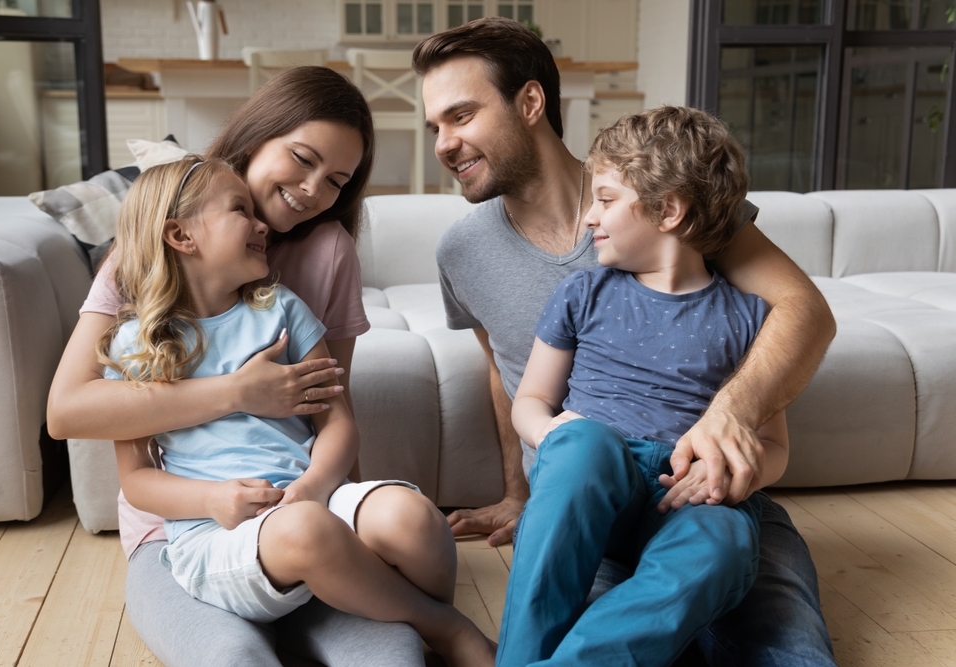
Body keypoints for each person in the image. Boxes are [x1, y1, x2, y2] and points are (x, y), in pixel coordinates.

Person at [414, 17, 837, 665]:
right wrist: (518, 491)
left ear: (529, 102)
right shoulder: (462, 251)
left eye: (461, 115)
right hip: (586, 505)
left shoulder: (665, 191)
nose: (443, 143)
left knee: (786, 650)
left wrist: (732, 417)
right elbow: (505, 372)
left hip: (706, 496)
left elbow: (804, 312)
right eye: (434, 126)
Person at [47, 67, 432, 667]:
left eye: (335, 180)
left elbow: (333, 413)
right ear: (258, 136)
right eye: (301, 158)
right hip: (181, 528)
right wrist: (238, 392)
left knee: (395, 657)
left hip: (302, 513)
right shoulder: (146, 253)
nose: (310, 189)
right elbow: (68, 411)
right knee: (234, 658)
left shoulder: (327, 253)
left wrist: (337, 509)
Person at [100, 155, 495, 667]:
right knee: (305, 530)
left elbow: (337, 424)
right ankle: (443, 627)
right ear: (181, 236)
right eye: (240, 209)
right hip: (216, 534)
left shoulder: (280, 310)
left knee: (412, 518)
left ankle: (396, 611)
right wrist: (212, 499)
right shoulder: (139, 345)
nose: (262, 223)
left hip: (310, 503)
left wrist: (310, 488)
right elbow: (136, 481)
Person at [499, 106, 790, 666]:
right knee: (585, 447)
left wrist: (730, 476)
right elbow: (532, 399)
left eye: (605, 199)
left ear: (669, 210)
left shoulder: (751, 318)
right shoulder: (583, 294)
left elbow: (774, 446)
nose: (588, 216)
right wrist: (554, 430)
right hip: (596, 477)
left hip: (688, 491)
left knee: (725, 540)